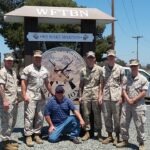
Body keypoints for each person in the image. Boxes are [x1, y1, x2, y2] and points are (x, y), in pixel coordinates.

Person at [21, 50, 53, 147]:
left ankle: (37, 134)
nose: (38, 59)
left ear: (41, 58)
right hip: (30, 95)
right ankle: (28, 135)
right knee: (29, 116)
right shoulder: (28, 69)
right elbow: (23, 82)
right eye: (36, 57)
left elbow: (47, 83)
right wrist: (24, 94)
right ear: (33, 58)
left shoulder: (44, 70)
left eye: (39, 57)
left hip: (41, 96)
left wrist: (52, 93)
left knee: (40, 116)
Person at [116, 59, 148, 150]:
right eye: (132, 66)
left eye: (135, 66)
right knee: (123, 123)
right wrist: (127, 99)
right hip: (127, 104)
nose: (133, 68)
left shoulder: (143, 79)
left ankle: (141, 143)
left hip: (138, 106)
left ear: (138, 66)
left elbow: (143, 92)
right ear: (130, 67)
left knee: (139, 124)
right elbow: (123, 90)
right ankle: (125, 140)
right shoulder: (127, 77)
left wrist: (133, 100)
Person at [101, 49, 125, 145]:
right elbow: (101, 83)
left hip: (116, 97)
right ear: (107, 57)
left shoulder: (120, 69)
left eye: (112, 57)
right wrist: (100, 95)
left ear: (115, 58)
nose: (111, 58)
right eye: (109, 56)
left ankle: (117, 136)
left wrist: (122, 97)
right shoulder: (103, 69)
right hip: (106, 97)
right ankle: (109, 135)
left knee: (117, 118)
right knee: (106, 117)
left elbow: (123, 84)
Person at [79, 51, 103, 141]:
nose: (90, 59)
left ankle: (99, 133)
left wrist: (100, 96)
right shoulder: (82, 70)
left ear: (95, 59)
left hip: (96, 94)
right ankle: (87, 132)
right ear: (86, 59)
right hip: (86, 94)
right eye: (89, 58)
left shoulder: (100, 70)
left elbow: (101, 84)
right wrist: (80, 96)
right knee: (86, 115)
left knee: (97, 114)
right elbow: (81, 85)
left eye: (92, 58)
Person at [0, 53, 19, 150]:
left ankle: (8, 139)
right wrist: (4, 100)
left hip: (14, 101)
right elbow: (1, 87)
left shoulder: (13, 71)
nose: (10, 62)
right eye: (8, 60)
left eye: (11, 60)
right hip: (7, 102)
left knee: (12, 121)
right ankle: (4, 144)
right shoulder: (3, 72)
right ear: (4, 61)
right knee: (6, 122)